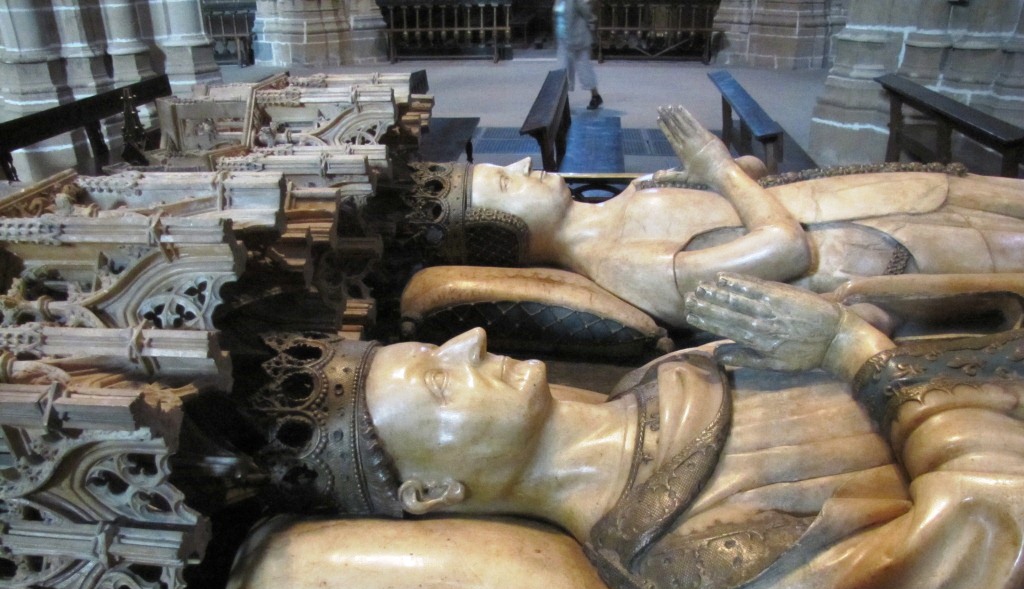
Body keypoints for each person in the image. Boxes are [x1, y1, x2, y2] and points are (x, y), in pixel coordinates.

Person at [222, 273, 1024, 589]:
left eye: (439, 350)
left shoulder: (661, 377)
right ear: (434, 493)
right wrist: (856, 351)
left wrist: (845, 316)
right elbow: (995, 543)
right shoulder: (699, 563)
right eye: (438, 382)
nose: (468, 342)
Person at [402, 106, 1024, 332]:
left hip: (875, 195)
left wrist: (721, 169)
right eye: (505, 181)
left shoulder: (627, 196)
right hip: (879, 248)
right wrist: (718, 168)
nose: (521, 165)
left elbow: (749, 179)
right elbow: (783, 253)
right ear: (501, 232)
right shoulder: (620, 265)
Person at [553, 0, 602, 109]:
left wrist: (592, 22)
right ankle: (562, 101)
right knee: (562, 69)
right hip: (564, 39)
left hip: (578, 38)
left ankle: (595, 95)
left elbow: (586, 11)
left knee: (584, 68)